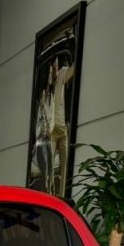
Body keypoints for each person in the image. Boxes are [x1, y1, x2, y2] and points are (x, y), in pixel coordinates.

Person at [49, 56, 76, 196]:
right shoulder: (46, 82)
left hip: (62, 129)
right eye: (52, 65)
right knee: (49, 168)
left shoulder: (62, 74)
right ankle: (49, 195)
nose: (55, 67)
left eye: (55, 64)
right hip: (51, 132)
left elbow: (73, 70)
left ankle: (61, 196)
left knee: (65, 166)